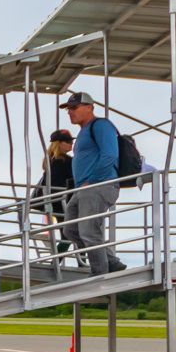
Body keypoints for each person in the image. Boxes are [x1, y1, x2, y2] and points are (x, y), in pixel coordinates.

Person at [62, 92, 126, 274]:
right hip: (85, 188)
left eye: (74, 108)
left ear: (89, 107)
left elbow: (110, 155)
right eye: (68, 109)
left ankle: (100, 274)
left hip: (98, 185)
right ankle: (111, 262)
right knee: (71, 229)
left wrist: (91, 180)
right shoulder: (84, 131)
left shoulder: (101, 125)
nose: (70, 112)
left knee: (89, 231)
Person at [34, 130, 75, 254]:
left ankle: (59, 261)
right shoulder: (63, 161)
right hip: (63, 202)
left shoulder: (50, 160)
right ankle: (57, 261)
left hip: (56, 202)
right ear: (59, 143)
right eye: (68, 141)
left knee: (71, 234)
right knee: (71, 234)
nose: (71, 144)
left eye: (71, 141)